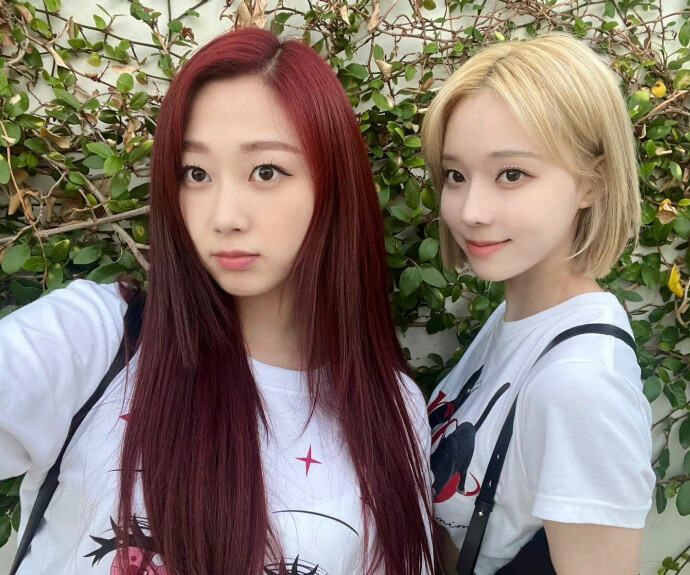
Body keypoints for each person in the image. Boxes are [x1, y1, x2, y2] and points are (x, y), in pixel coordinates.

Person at [0, 28, 434, 575]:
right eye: (196, 173)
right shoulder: (95, 339)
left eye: (266, 172)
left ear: (333, 186)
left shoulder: (392, 408)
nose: (224, 216)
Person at [420, 33, 655, 575]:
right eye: (456, 175)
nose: (471, 211)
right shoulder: (518, 320)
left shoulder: (579, 385)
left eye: (512, 174)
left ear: (592, 184)